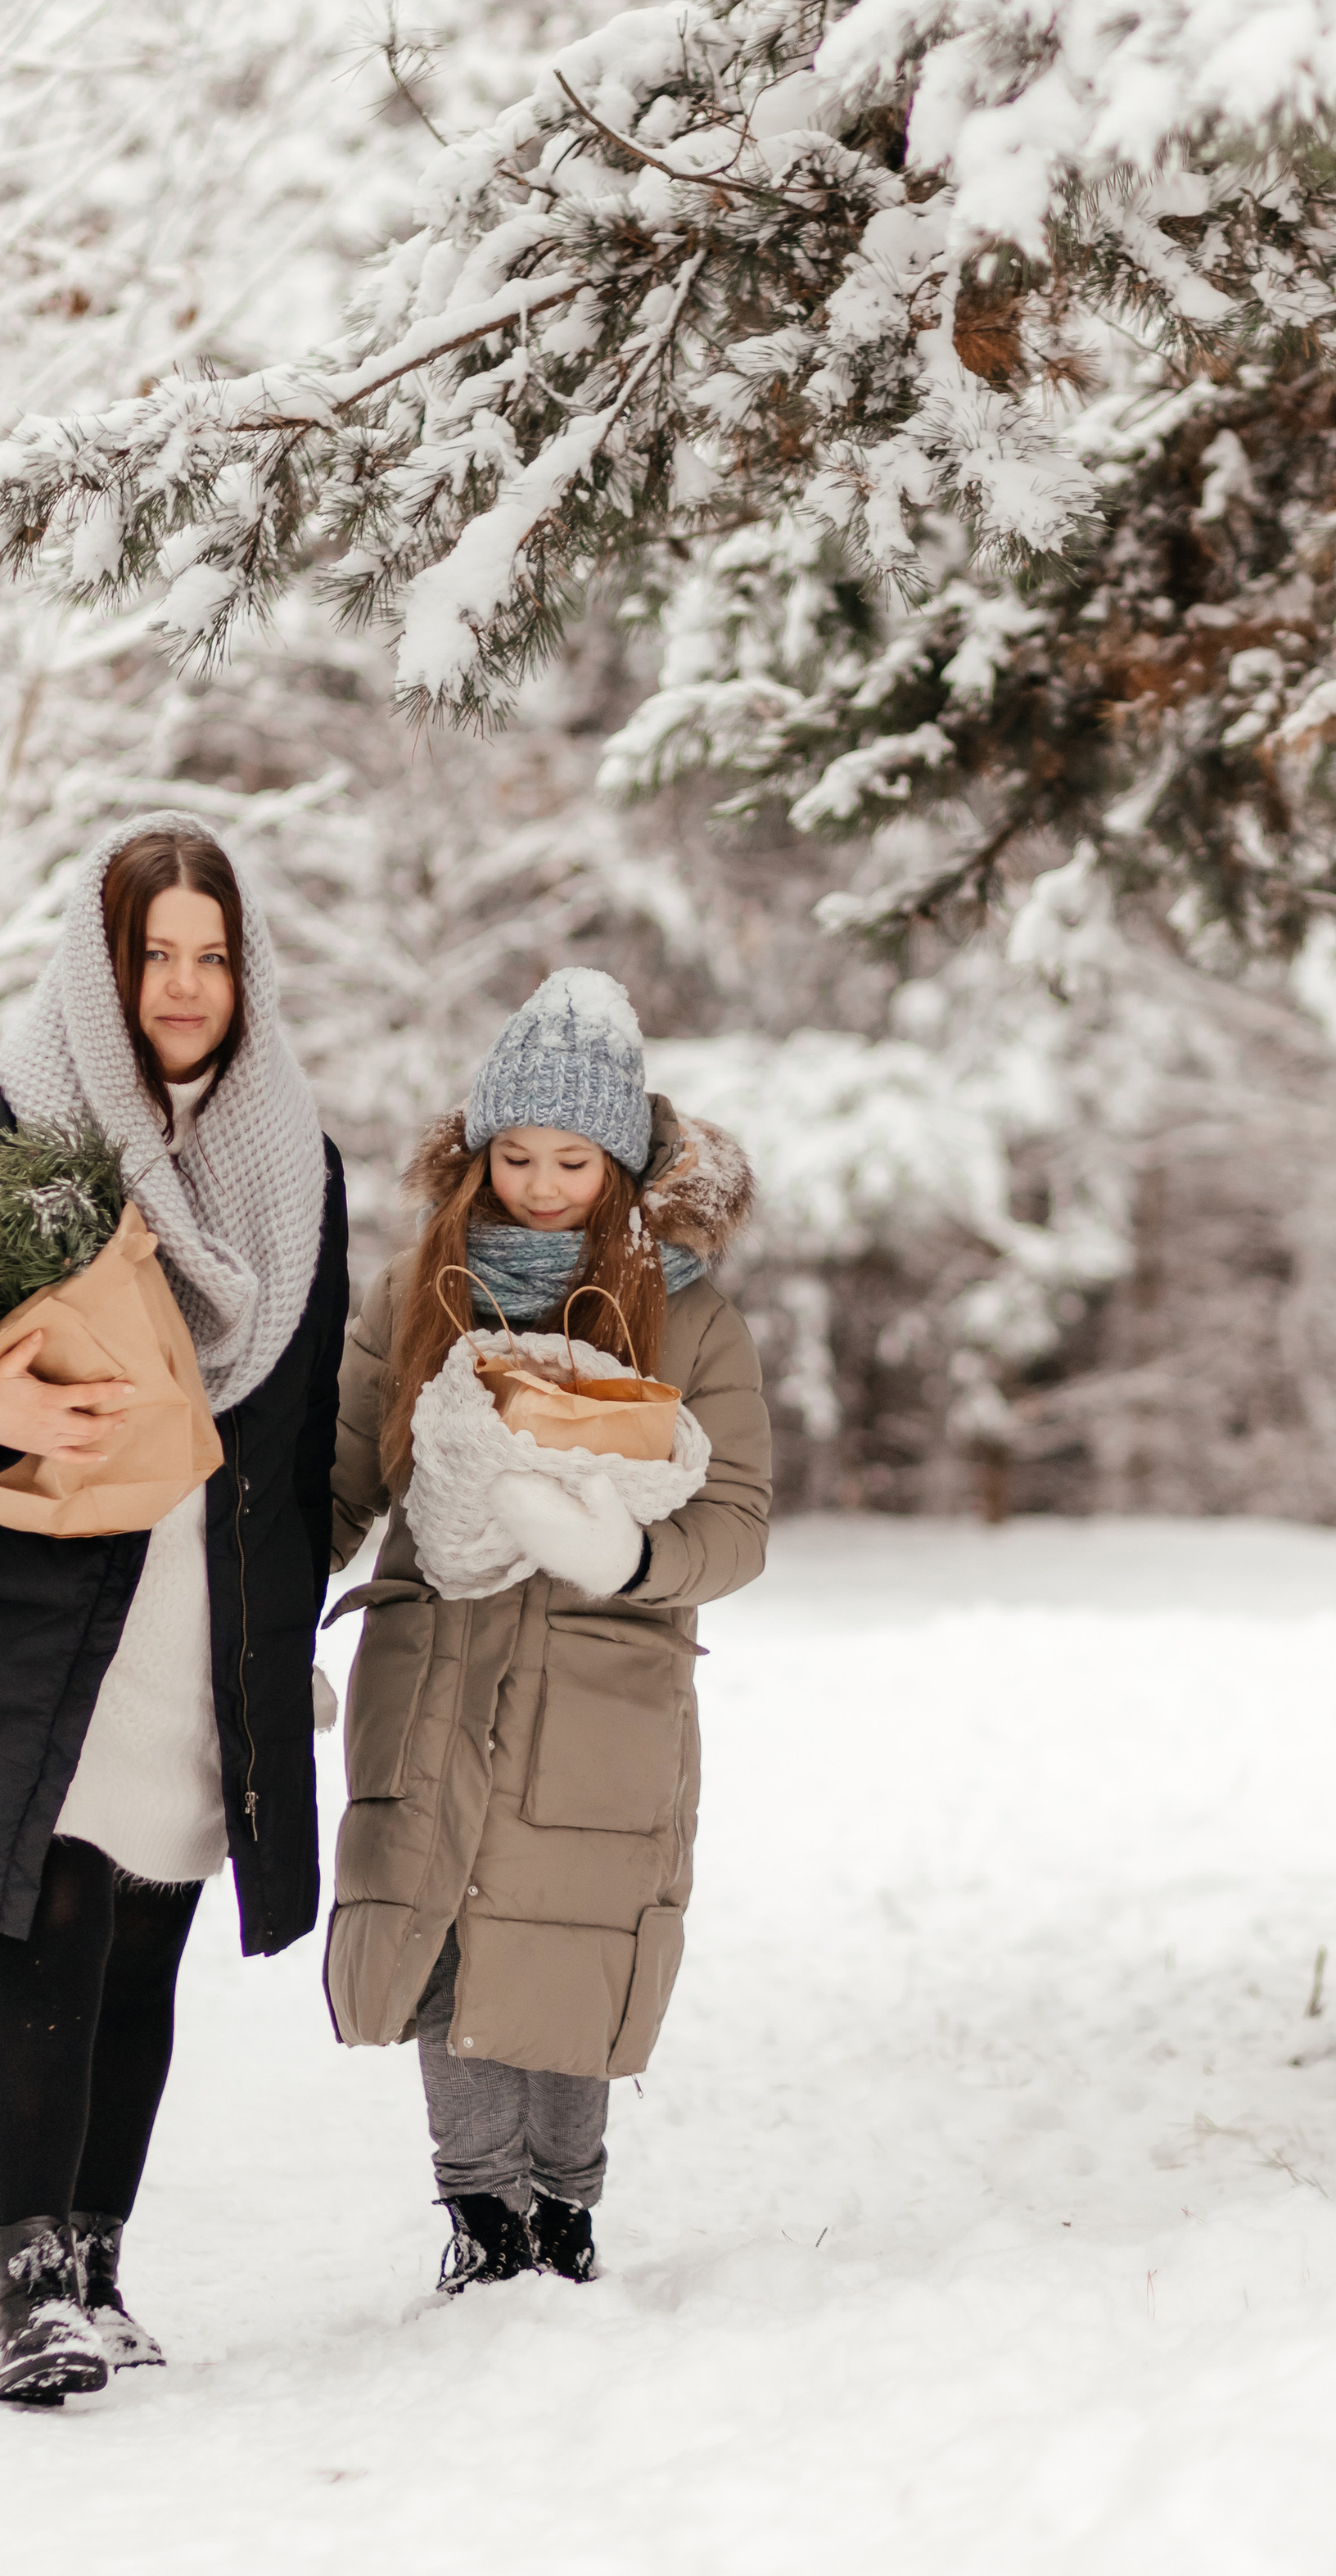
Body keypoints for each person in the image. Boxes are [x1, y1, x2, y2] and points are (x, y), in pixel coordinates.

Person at [0, 814, 347, 2404]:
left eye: (209, 955)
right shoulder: (6, 1128)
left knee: (146, 1936)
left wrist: (299, 1629)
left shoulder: (292, 1159)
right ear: (102, 963)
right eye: (153, 954)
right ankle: (26, 2283)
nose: (183, 986)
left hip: (207, 1609)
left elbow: (306, 1410)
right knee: (46, 1917)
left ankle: (100, 2264)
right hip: (48, 1606)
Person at [325, 969, 770, 2290]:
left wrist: (632, 1554)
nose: (538, 1182)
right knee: (441, 1942)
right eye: (513, 1154)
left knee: (571, 1948)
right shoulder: (419, 1288)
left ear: (621, 1162)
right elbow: (342, 1472)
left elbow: (738, 1517)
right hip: (435, 1664)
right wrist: (265, 1623)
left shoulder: (688, 1311)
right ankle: (482, 2225)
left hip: (603, 1689)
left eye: (572, 1159)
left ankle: (564, 2221)